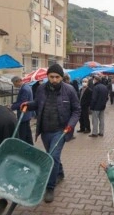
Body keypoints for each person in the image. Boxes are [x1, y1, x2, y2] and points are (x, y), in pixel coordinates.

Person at [22, 63, 81, 203]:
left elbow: (77, 110)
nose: (54, 80)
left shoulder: (69, 90)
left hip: (60, 130)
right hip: (45, 130)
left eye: (57, 77)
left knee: (52, 157)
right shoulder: (41, 88)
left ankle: (50, 187)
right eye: (51, 77)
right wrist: (28, 105)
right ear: (47, 76)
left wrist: (70, 125)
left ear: (61, 77)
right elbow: (37, 103)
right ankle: (59, 173)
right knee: (52, 156)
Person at [10, 76, 34, 145]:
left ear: (18, 81)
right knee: (28, 132)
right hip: (27, 114)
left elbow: (22, 103)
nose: (14, 85)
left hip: (24, 114)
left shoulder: (24, 89)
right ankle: (30, 145)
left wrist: (11, 107)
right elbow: (20, 101)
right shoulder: (26, 87)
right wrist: (13, 104)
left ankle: (22, 146)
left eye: (14, 83)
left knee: (22, 133)